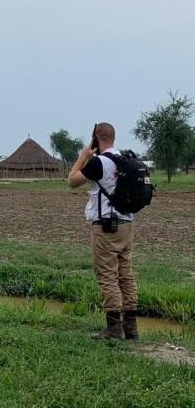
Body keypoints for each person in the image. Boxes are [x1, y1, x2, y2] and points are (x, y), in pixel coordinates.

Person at [68, 122, 138, 341]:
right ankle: (131, 328)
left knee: (107, 275)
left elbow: (72, 181)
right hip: (127, 224)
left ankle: (113, 328)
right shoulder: (125, 160)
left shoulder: (99, 162)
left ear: (97, 138)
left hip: (106, 226)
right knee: (125, 275)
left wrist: (83, 156)